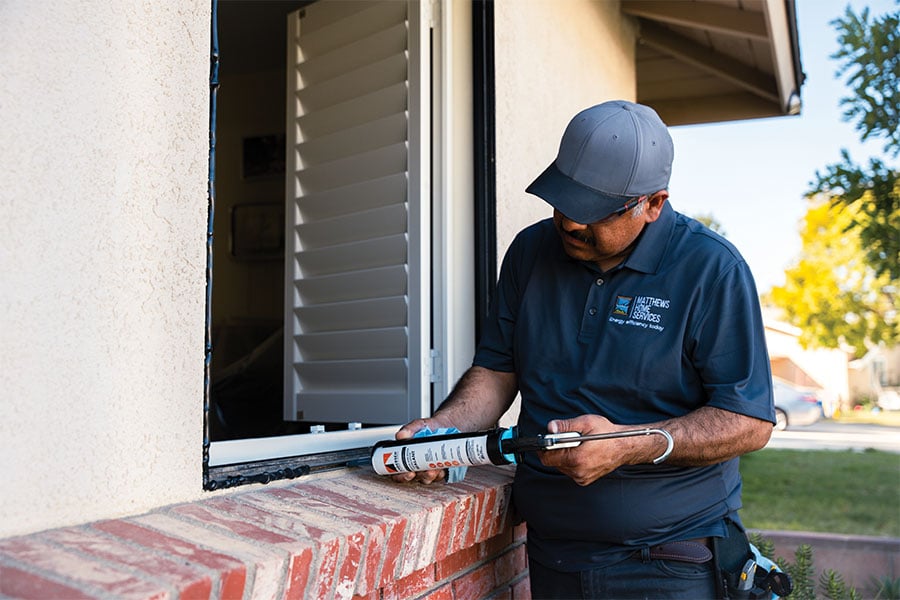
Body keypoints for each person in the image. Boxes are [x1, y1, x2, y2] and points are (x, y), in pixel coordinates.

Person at [391, 100, 775, 599]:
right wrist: (441, 431)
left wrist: (629, 444)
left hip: (666, 563)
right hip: (553, 555)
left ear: (653, 204)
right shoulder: (531, 252)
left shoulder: (711, 270)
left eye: (593, 212)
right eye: (562, 201)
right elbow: (496, 371)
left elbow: (748, 421)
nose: (570, 223)